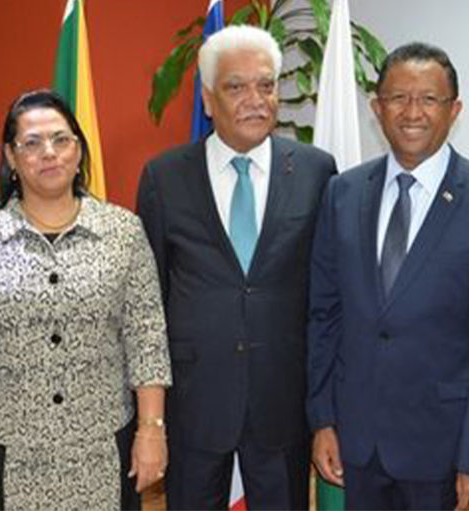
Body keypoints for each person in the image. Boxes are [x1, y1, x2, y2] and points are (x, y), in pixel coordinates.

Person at [307, 42, 469, 511]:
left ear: (454, 110)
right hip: (357, 444)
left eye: (429, 99)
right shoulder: (342, 193)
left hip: (444, 451)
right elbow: (324, 316)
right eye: (398, 98)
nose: (412, 112)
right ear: (377, 108)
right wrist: (323, 419)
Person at [0, 89, 172, 510]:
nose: (49, 152)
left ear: (78, 151)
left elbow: (147, 337)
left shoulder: (123, 232)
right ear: (11, 157)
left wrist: (151, 428)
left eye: (61, 139)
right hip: (3, 454)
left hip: (102, 449)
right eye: (31, 142)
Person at [137, 25, 336, 510]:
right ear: (208, 100)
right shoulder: (164, 177)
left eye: (266, 85)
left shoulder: (316, 171)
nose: (255, 100)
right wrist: (152, 417)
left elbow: (327, 295)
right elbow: (149, 301)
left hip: (282, 401)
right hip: (195, 402)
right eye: (236, 87)